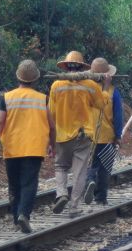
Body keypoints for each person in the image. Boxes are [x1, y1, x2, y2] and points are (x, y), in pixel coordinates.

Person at [0, 59, 49, 234]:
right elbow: (52, 125)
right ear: (35, 80)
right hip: (34, 148)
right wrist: (53, 144)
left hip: (12, 148)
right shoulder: (43, 99)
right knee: (29, 183)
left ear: (18, 77)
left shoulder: (7, 98)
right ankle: (23, 215)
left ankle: (15, 218)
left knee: (14, 185)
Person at [48, 50, 105, 217]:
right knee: (79, 171)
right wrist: (105, 86)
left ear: (65, 67)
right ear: (82, 67)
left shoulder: (56, 86)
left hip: (62, 134)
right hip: (84, 134)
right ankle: (74, 206)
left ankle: (61, 194)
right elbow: (101, 105)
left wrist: (49, 139)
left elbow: (51, 113)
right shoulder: (91, 85)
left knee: (61, 166)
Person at [86, 57, 123, 206]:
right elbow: (118, 116)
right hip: (107, 136)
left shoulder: (86, 90)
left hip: (88, 136)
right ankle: (101, 197)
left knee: (90, 164)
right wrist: (118, 136)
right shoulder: (114, 92)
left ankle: (90, 181)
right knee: (105, 167)